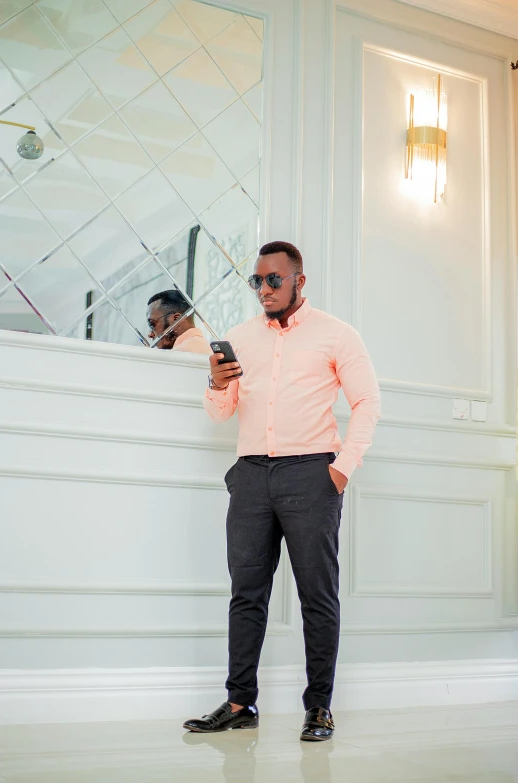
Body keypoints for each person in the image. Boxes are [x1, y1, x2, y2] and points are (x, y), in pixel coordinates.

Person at [183, 241, 381, 741]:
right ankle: (239, 703)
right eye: (257, 281)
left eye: (274, 279)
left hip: (312, 474)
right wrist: (215, 382)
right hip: (250, 475)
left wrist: (341, 470)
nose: (264, 289)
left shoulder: (336, 335)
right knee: (246, 594)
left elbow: (367, 402)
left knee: (318, 595)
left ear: (299, 281)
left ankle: (319, 708)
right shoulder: (239, 337)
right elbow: (221, 413)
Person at [146, 289, 210, 354]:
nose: (150, 334)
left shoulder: (183, 352)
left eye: (152, 323)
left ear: (177, 319)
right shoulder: (202, 346)